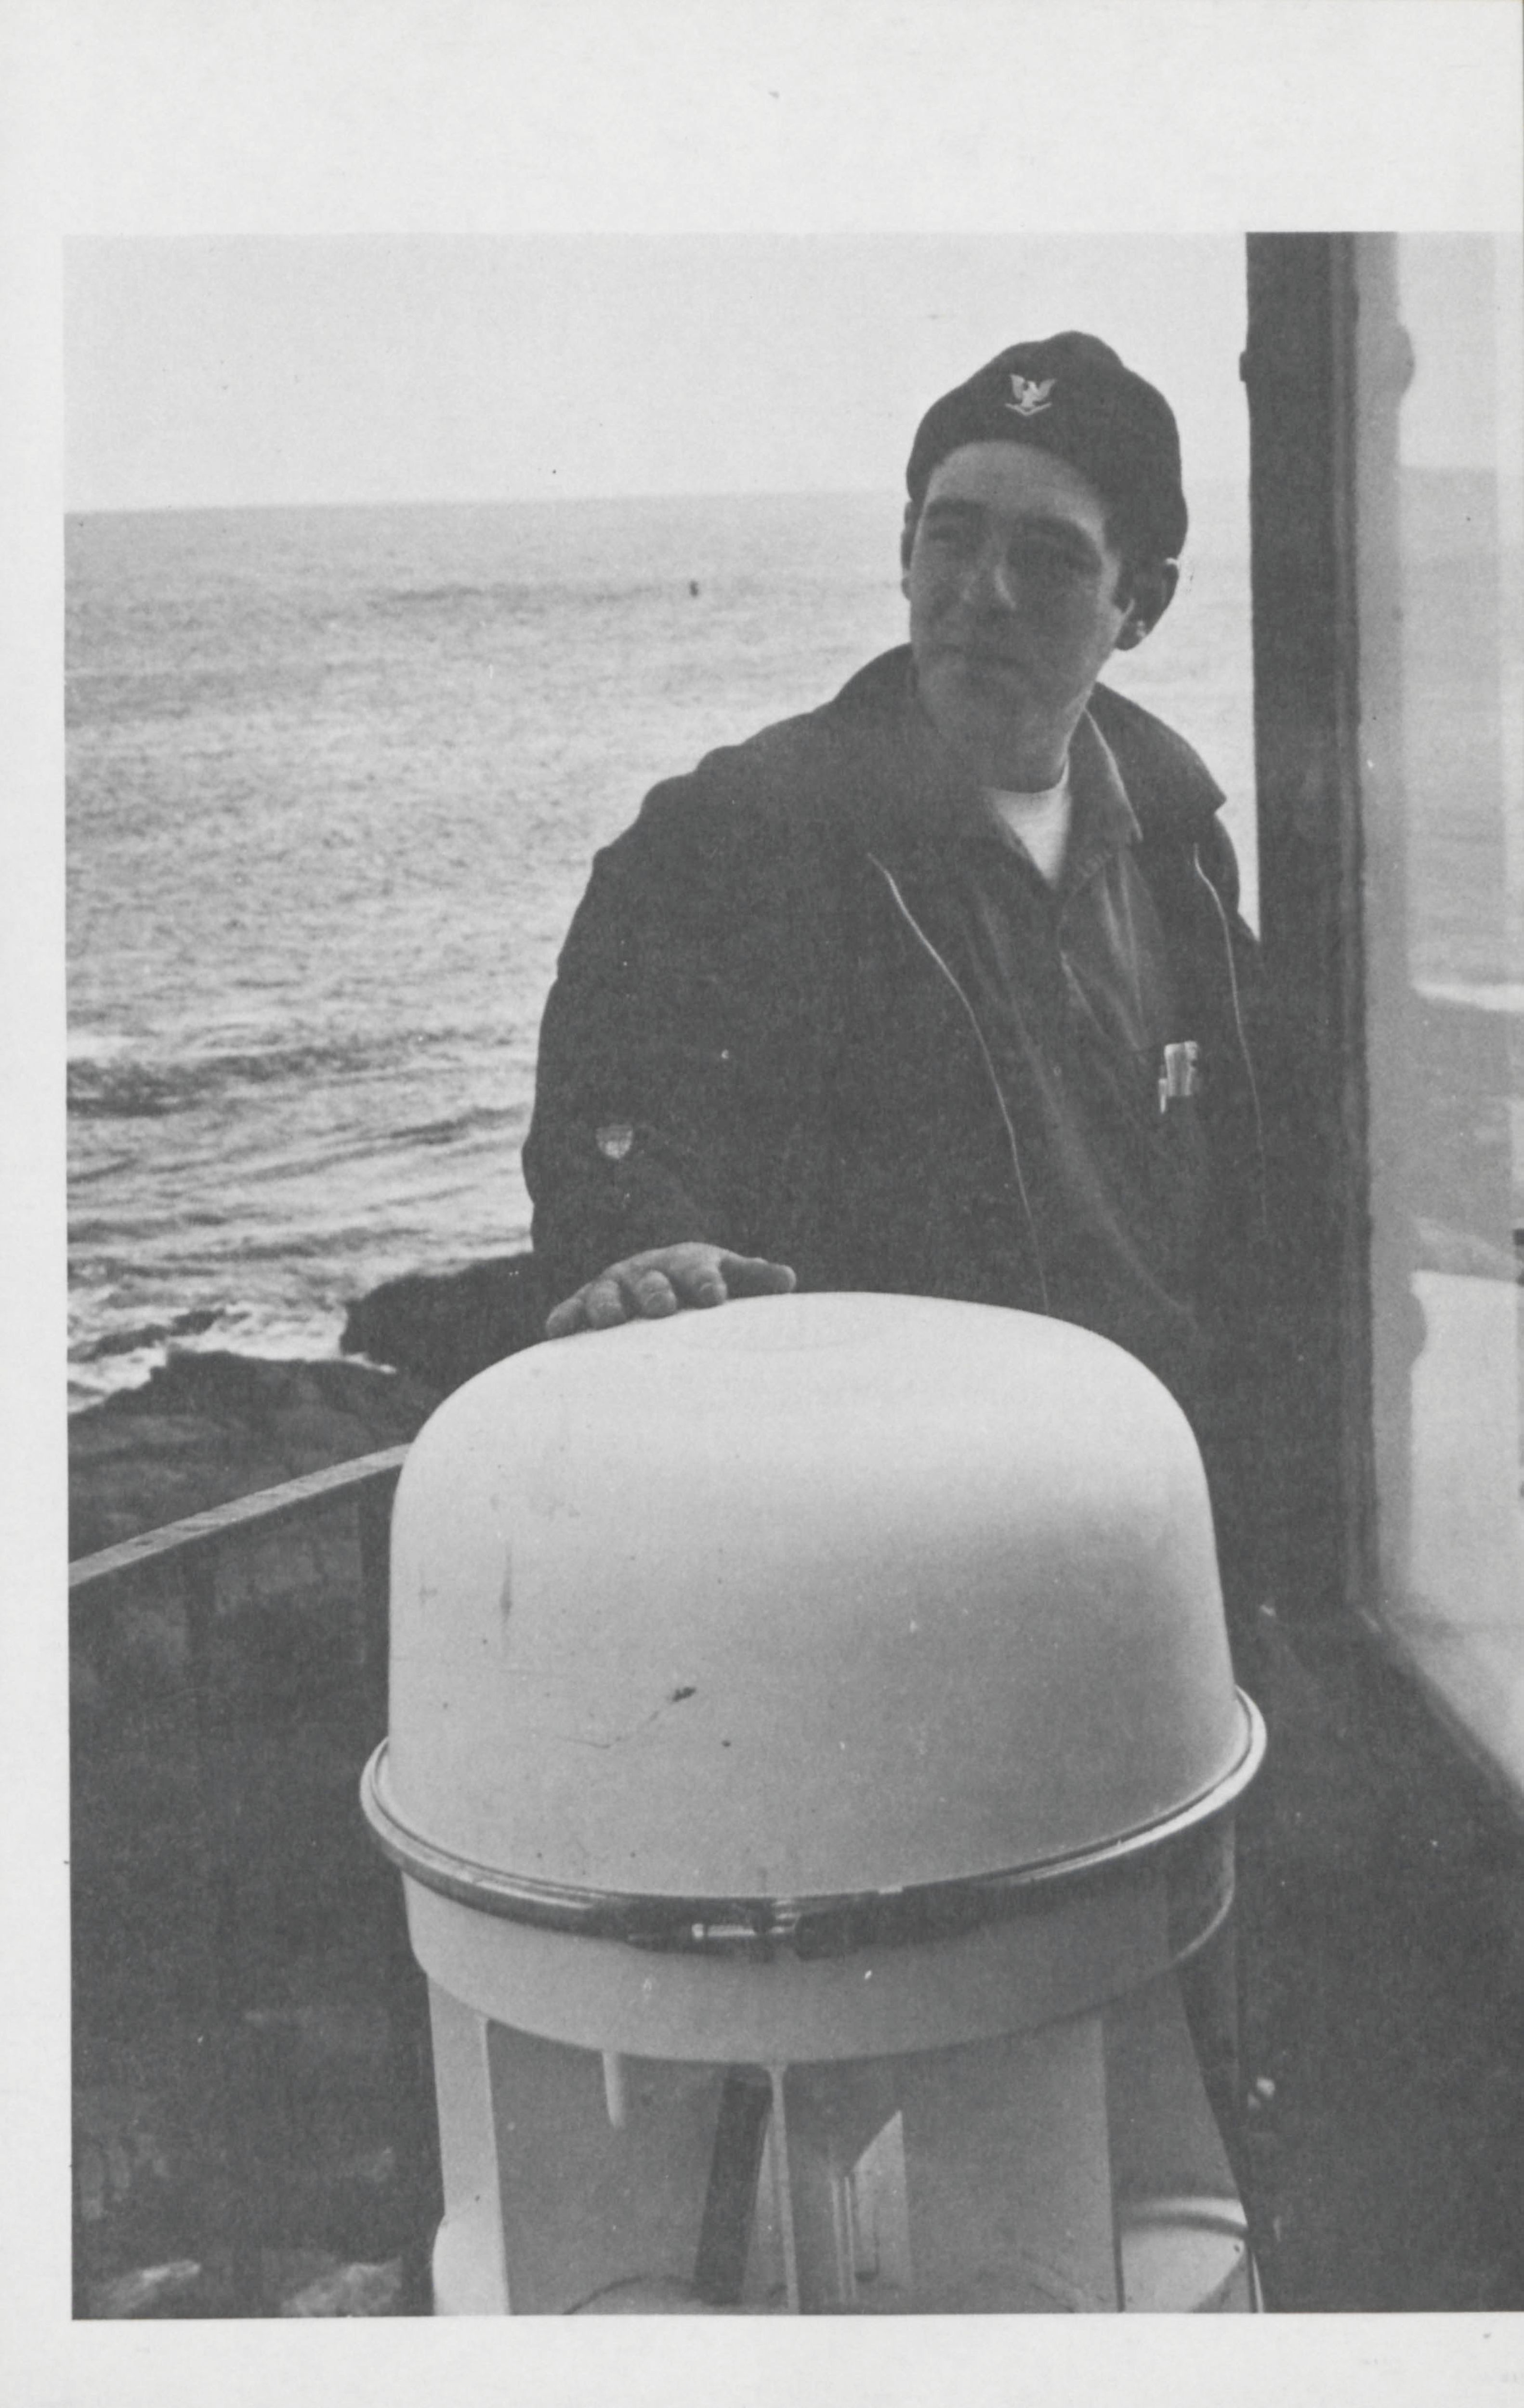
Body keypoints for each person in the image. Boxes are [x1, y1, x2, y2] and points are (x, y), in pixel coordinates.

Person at [522, 330, 1273, 1636]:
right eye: (950, 536)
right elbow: (615, 1129)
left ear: (1141, 604)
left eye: (1050, 558)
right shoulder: (734, 834)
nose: (982, 591)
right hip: (884, 1576)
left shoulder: (1175, 841)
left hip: (1155, 1527)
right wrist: (645, 1245)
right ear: (904, 552)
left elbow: (1266, 1170)